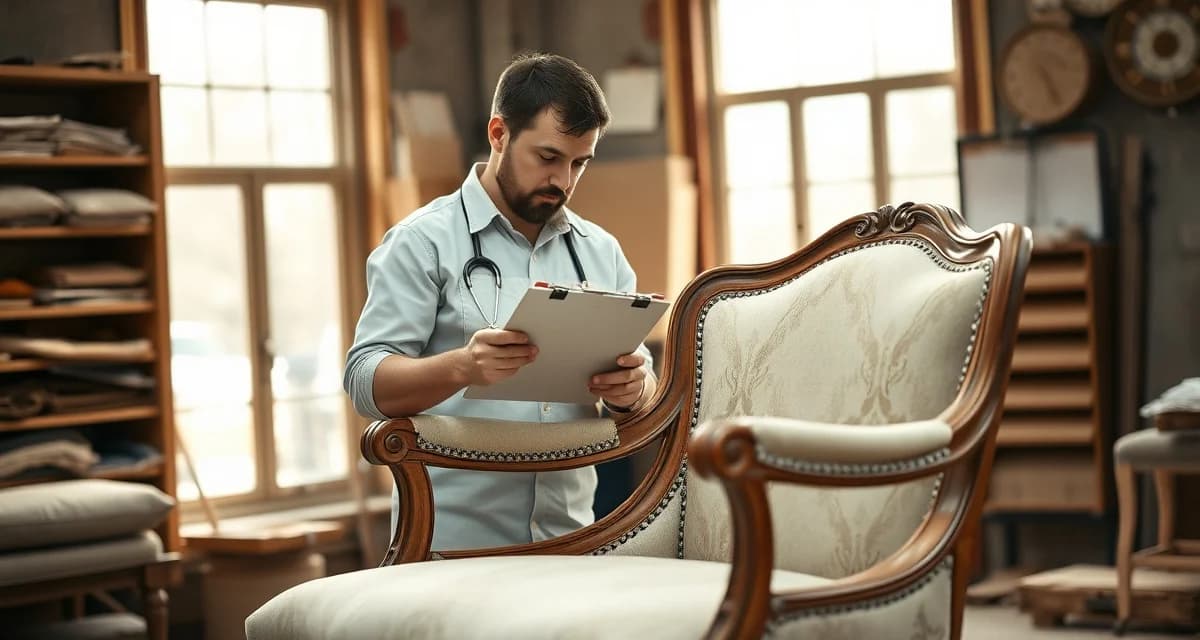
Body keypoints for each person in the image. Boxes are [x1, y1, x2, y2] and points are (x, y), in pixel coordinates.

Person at [344, 53, 656, 551]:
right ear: (498, 134)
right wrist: (463, 366)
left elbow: (644, 400)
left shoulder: (602, 253)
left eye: (580, 163)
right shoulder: (421, 242)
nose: (565, 181)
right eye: (549, 158)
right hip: (452, 546)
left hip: (573, 543)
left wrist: (633, 392)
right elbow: (364, 382)